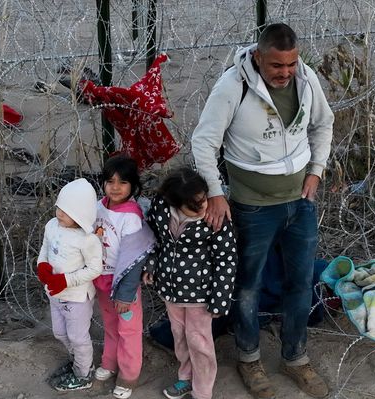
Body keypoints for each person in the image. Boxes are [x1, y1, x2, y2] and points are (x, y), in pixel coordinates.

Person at [190, 22, 334, 398]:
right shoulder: (232, 87)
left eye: (290, 64)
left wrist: (316, 172)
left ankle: (295, 357)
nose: (285, 72)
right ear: (258, 57)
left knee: (300, 284)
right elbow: (204, 143)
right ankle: (249, 358)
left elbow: (323, 124)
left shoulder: (306, 79)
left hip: (299, 203)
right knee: (248, 286)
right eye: (276, 66)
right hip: (252, 207)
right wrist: (217, 193)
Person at [142, 168, 237, 399]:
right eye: (193, 206)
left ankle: (202, 391)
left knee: (199, 341)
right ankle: (185, 377)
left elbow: (227, 260)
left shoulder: (215, 219)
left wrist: (219, 300)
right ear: (174, 202)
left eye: (203, 200)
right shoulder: (162, 210)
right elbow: (155, 240)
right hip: (170, 290)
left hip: (200, 294)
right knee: (179, 335)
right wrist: (151, 265)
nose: (201, 208)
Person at [91, 155, 155, 399]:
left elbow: (134, 259)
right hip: (101, 280)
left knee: (128, 330)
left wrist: (126, 293)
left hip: (123, 286)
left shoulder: (131, 216)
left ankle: (128, 375)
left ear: (133, 186)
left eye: (122, 182)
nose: (115, 187)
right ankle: (110, 362)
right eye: (110, 181)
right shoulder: (99, 206)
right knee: (110, 325)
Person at [36, 178, 104, 391]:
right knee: (60, 333)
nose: (59, 213)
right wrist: (42, 265)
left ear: (81, 214)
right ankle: (78, 362)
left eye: (66, 211)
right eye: (59, 207)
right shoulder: (52, 226)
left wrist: (65, 280)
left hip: (76, 298)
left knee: (77, 337)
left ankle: (84, 373)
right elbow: (45, 248)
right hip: (54, 295)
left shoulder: (87, 239)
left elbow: (95, 269)